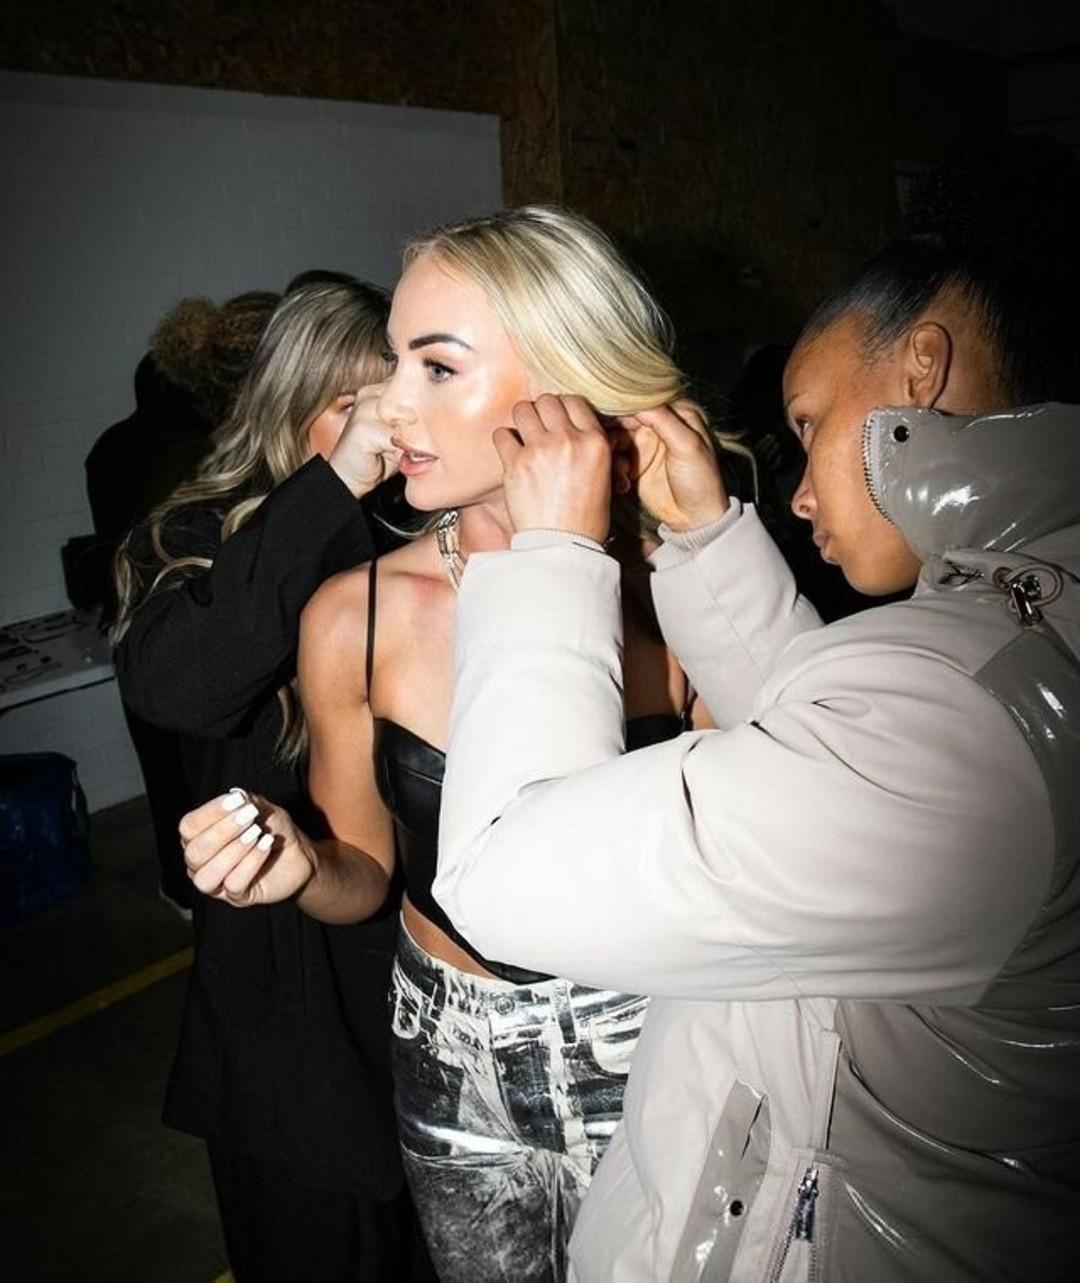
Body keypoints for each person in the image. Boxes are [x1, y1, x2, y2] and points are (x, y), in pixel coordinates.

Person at [430, 146, 1080, 1278]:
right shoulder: (1011, 628)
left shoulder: (965, 717)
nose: (801, 492)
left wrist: (552, 552)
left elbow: (499, 868)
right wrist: (705, 535)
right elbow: (828, 752)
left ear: (922, 369)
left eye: (812, 422)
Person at [176, 206, 729, 1282]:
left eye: (436, 367)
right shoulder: (355, 613)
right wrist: (302, 865)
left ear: (565, 379)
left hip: (650, 1032)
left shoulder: (682, 587)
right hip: (445, 1049)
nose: (389, 407)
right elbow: (365, 873)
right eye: (395, 364)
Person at [113, 281, 433, 1282]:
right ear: (288, 404)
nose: (384, 432)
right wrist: (330, 486)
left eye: (396, 401)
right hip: (287, 996)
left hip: (415, 972)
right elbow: (180, 685)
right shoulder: (199, 534)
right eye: (352, 404)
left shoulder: (414, 530)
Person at [87, 290, 280, 918]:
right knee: (212, 782)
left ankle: (181, 886)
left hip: (136, 632)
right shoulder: (210, 458)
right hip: (191, 637)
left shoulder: (109, 448)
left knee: (164, 777)